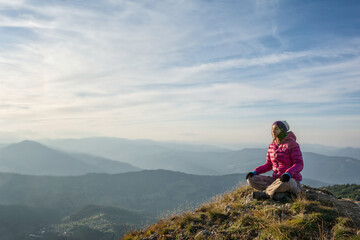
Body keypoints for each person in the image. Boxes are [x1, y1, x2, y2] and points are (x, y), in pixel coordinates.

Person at [246, 120, 304, 200]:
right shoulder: (272, 146)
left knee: (285, 183)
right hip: (276, 180)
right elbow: (269, 164)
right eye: (272, 129)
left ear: (282, 130)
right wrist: (255, 172)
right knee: (251, 179)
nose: (273, 131)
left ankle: (266, 193)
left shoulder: (292, 144)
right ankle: (277, 192)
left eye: (276, 128)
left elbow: (299, 164)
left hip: (290, 180)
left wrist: (288, 174)